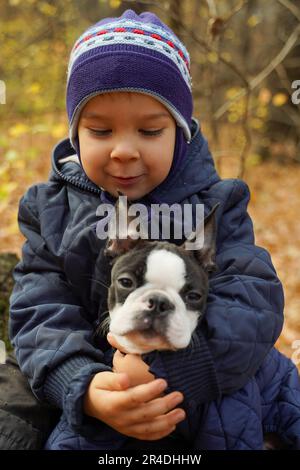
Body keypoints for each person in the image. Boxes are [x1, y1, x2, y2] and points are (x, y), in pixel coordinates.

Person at [7, 9, 300, 450]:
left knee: (270, 396)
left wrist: (178, 371)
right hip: (99, 382)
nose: (124, 150)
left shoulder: (217, 204)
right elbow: (39, 307)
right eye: (101, 130)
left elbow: (252, 298)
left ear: (179, 134)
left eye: (149, 130)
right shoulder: (51, 210)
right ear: (75, 134)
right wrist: (82, 385)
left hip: (206, 374)